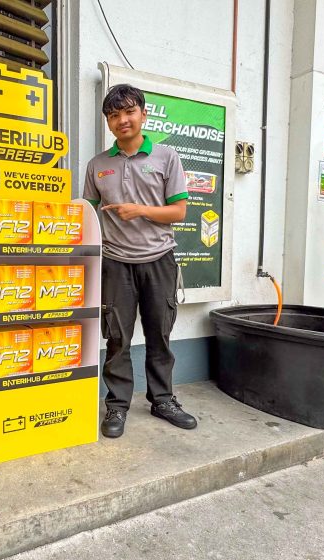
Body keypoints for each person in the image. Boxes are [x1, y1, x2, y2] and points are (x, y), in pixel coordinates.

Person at [83, 84, 197, 439]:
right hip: (115, 262)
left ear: (143, 114)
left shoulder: (166, 157)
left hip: (159, 260)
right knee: (117, 336)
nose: (122, 120)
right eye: (114, 115)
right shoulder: (97, 165)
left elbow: (179, 211)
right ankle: (116, 405)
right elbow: (87, 212)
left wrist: (140, 211)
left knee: (160, 334)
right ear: (108, 122)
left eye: (129, 112)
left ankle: (162, 399)